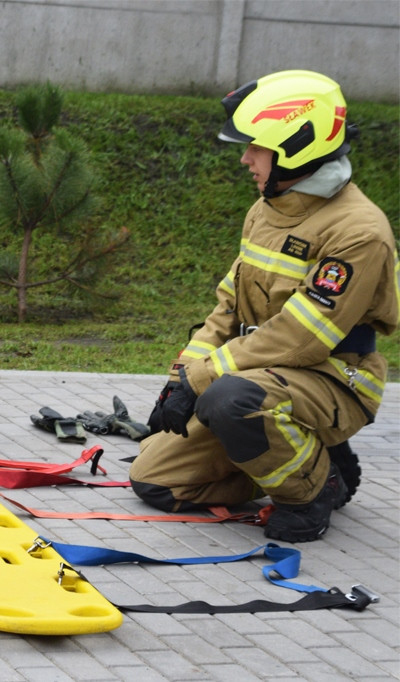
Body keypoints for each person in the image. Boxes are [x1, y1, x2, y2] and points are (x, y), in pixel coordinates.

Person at [130, 70, 398, 543]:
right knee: (155, 481)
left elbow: (301, 337)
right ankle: (306, 455)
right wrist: (180, 378)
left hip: (334, 377)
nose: (245, 159)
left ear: (297, 147)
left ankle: (313, 490)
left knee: (230, 401)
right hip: (259, 375)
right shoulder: (267, 209)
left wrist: (201, 380)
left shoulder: (358, 231)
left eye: (256, 147)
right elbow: (227, 310)